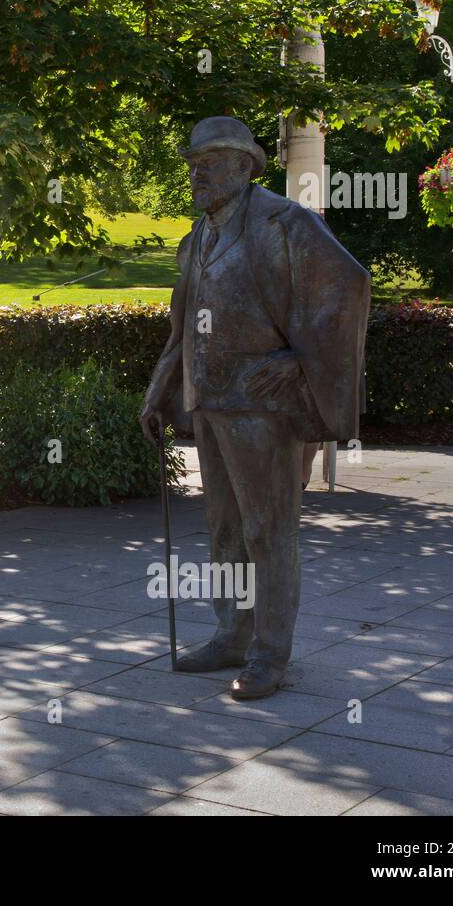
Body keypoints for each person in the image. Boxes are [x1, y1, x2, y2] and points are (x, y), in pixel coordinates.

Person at [140, 117, 370, 700]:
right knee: (224, 530)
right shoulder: (197, 238)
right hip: (211, 401)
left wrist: (298, 357)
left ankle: (270, 654)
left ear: (245, 167)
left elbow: (347, 288)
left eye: (211, 162)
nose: (198, 172)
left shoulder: (285, 223)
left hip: (263, 405)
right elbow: (181, 326)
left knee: (268, 530)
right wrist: (161, 390)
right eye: (194, 163)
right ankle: (231, 633)